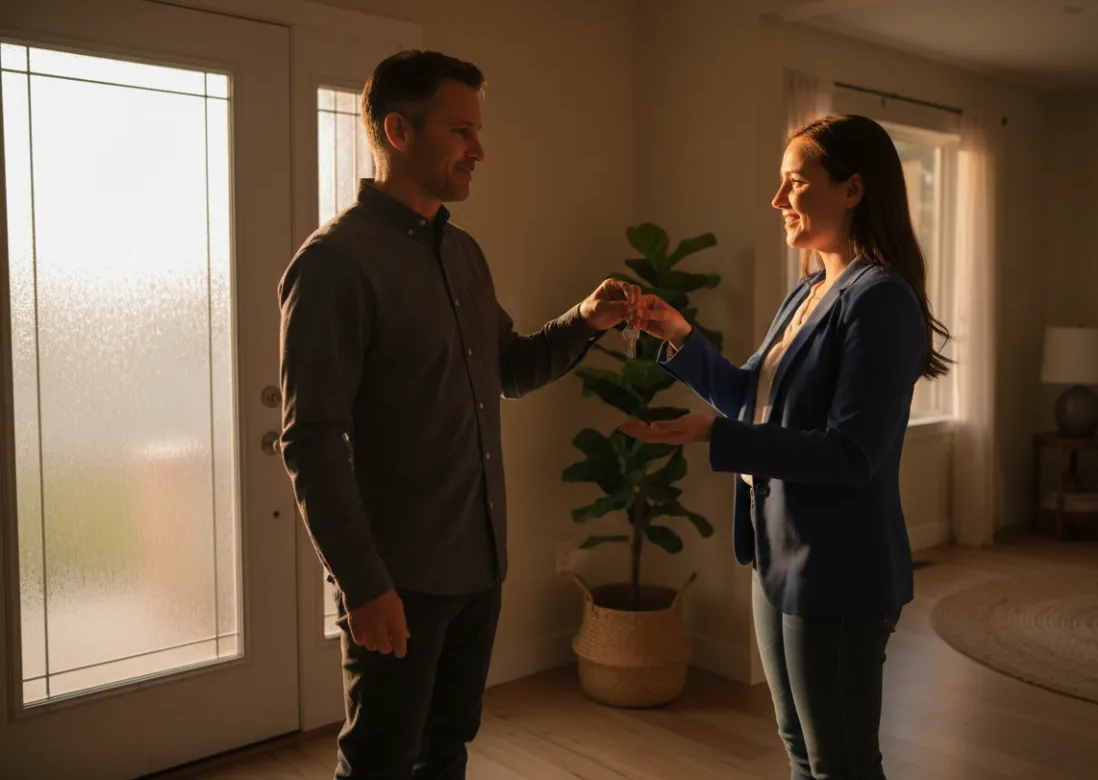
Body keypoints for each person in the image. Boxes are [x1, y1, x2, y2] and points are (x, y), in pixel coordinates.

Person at [277, 50, 638, 780]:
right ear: (399, 132)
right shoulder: (333, 266)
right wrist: (363, 584)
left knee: (447, 750)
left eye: (478, 131)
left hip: (480, 567)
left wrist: (586, 319)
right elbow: (311, 441)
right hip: (398, 580)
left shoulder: (464, 254)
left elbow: (508, 367)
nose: (480, 150)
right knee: (379, 761)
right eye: (462, 131)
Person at [621, 114, 950, 780]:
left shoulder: (879, 300)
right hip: (779, 554)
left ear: (853, 189)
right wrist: (682, 336)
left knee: (842, 764)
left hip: (838, 567)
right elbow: (754, 398)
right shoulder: (809, 289)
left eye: (794, 182)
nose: (777, 201)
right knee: (801, 748)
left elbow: (851, 454)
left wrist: (722, 439)